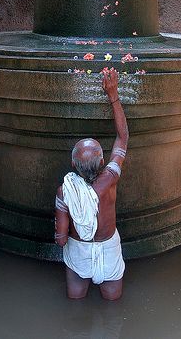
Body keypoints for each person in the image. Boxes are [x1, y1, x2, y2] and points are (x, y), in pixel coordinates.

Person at [54, 68, 129, 300]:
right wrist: (113, 95)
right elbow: (123, 138)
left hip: (79, 253)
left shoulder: (65, 191)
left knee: (75, 304)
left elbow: (62, 238)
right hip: (109, 250)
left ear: (73, 164)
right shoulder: (110, 178)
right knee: (113, 306)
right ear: (103, 160)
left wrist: (62, 234)